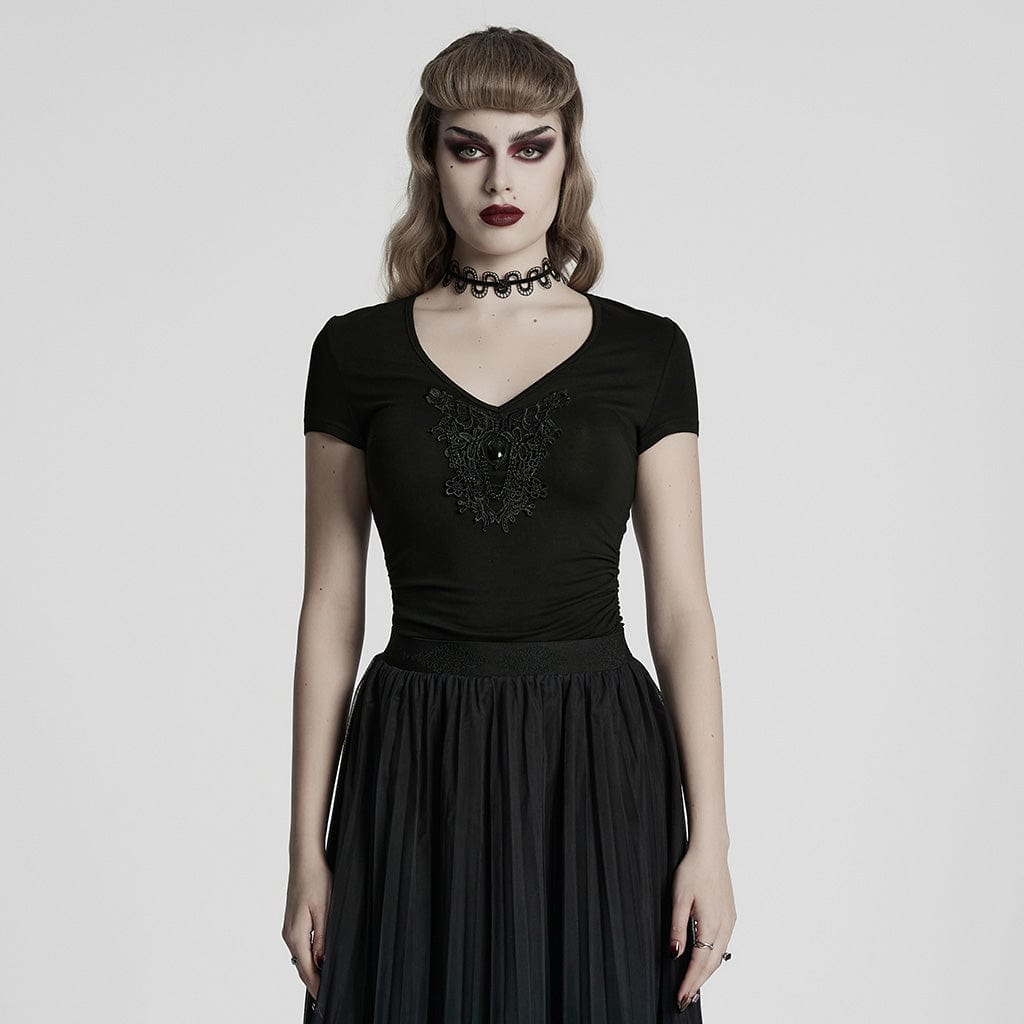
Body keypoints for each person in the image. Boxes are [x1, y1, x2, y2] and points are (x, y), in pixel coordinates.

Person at [282, 24, 736, 1023]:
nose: (501, 177)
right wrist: (304, 847)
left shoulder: (647, 353)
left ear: (567, 159)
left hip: (595, 760)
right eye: (469, 147)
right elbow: (329, 605)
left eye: (531, 146)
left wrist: (710, 840)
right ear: (429, 157)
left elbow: (681, 610)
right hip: (414, 757)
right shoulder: (354, 354)